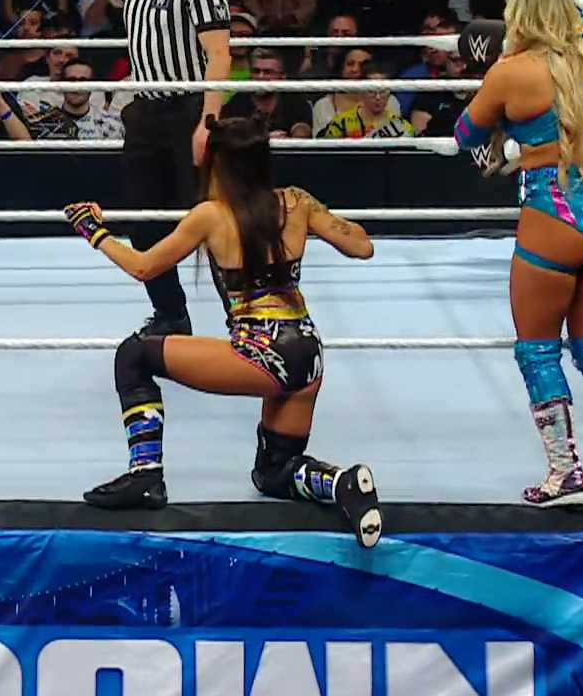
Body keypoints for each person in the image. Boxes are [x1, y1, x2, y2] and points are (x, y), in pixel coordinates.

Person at [61, 117, 383, 546]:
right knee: (273, 472)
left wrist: (92, 230)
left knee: (134, 355)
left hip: (261, 354)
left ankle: (145, 476)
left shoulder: (211, 216)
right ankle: (342, 483)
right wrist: (317, 219)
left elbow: (143, 267)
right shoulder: (296, 201)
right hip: (308, 355)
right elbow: (362, 245)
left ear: (219, 164)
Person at [452, 0, 583, 506]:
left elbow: (465, 134)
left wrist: (505, 122)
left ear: (516, 17)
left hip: (554, 211)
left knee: (539, 352)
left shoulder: (509, 72)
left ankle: (565, 474)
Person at [26, 0, 232, 338]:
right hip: (145, 113)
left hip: (189, 110)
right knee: (144, 221)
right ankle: (171, 314)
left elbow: (219, 54)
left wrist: (208, 122)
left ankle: (245, 316)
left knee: (211, 223)